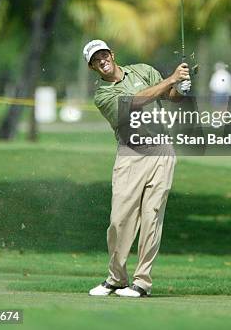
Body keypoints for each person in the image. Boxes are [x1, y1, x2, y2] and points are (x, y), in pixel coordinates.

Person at [83, 39, 190, 298]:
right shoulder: (102, 95)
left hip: (161, 151)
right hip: (130, 154)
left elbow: (169, 97)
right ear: (92, 67)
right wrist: (171, 79)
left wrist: (181, 88)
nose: (102, 61)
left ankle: (142, 283)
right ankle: (116, 279)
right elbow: (133, 102)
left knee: (152, 218)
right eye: (95, 60)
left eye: (103, 55)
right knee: (120, 220)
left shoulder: (143, 70)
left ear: (112, 54)